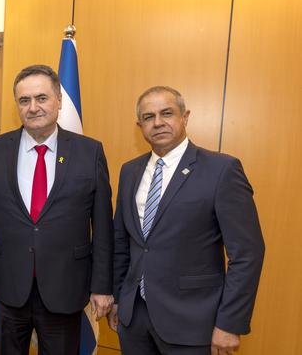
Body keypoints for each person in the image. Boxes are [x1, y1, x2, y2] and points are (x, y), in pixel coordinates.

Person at [107, 86, 265, 355]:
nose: (158, 122)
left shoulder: (221, 170)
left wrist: (230, 323)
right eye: (148, 117)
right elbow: (122, 242)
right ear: (139, 125)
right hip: (134, 320)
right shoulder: (130, 171)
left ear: (185, 117)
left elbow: (247, 254)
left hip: (192, 322)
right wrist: (119, 299)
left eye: (166, 113)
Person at [0, 64, 114, 354]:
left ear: (59, 100)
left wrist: (102, 285)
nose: (33, 107)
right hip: (7, 287)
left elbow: (102, 227)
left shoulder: (90, 152)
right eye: (24, 100)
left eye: (42, 98)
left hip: (66, 286)